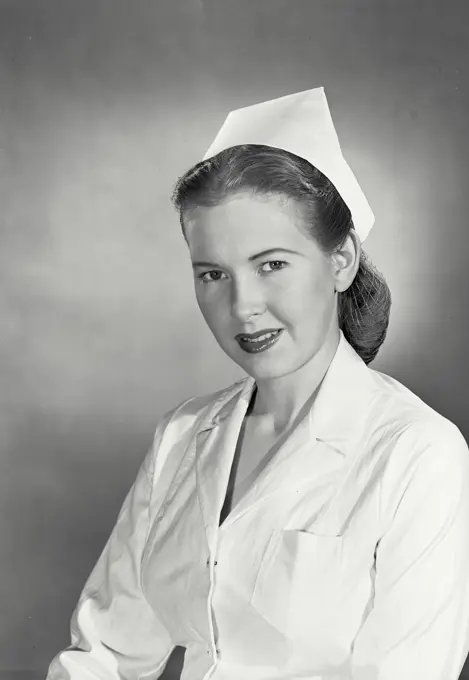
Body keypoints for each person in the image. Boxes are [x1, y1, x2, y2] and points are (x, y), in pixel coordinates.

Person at [46, 88, 469, 680]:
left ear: (341, 259)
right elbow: (106, 656)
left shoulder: (417, 454)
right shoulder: (182, 436)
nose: (242, 307)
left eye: (272, 264)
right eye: (214, 274)